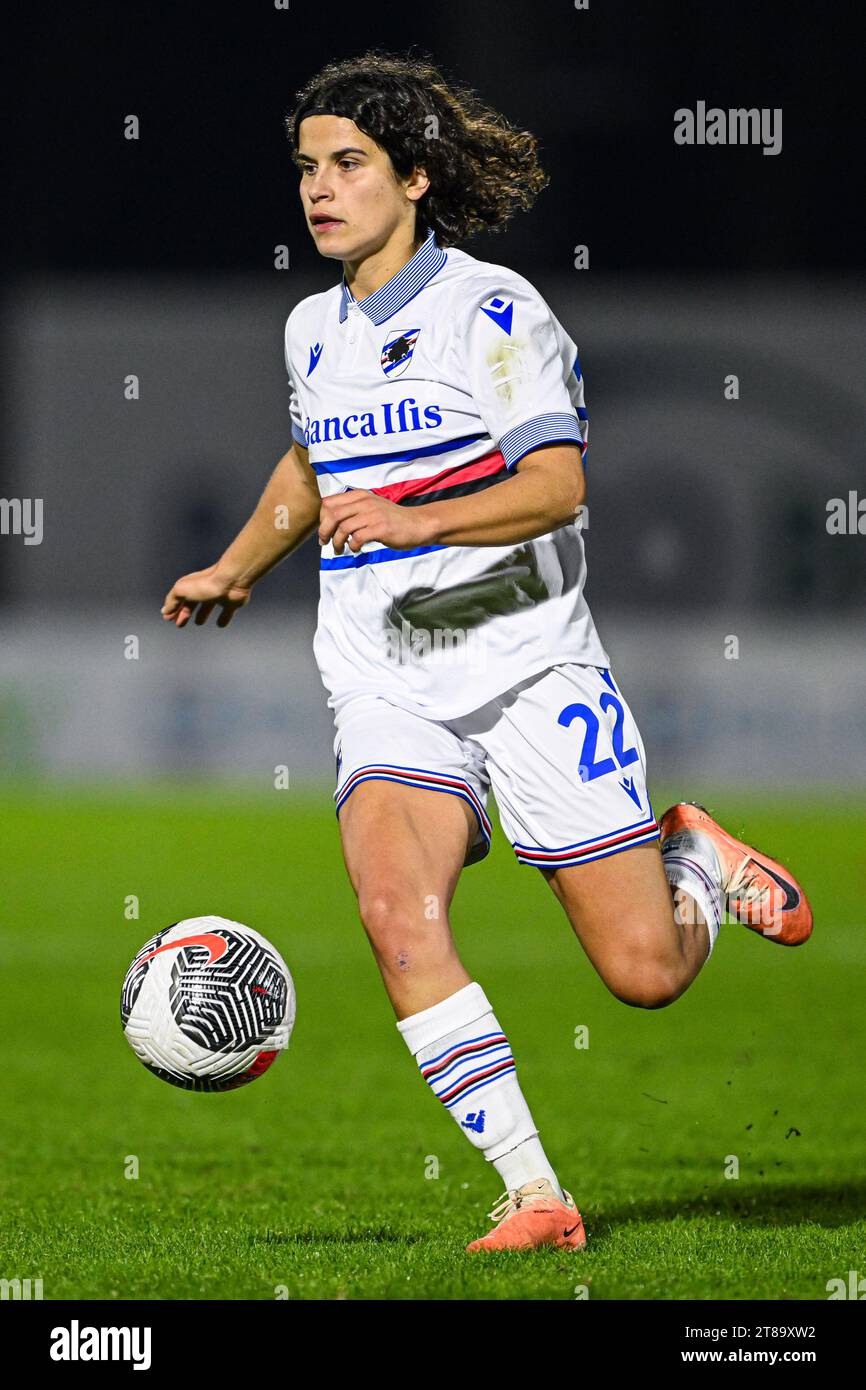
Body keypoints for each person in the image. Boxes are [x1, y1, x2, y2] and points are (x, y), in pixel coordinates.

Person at [161, 50, 813, 1253]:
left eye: (348, 164)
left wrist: (420, 519)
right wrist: (238, 566)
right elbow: (311, 465)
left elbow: (556, 487)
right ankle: (532, 1191)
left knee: (644, 974)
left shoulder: (494, 311)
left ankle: (689, 855)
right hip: (384, 680)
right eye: (307, 167)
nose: (319, 188)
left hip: (525, 672)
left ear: (413, 176)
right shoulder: (311, 328)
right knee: (395, 913)